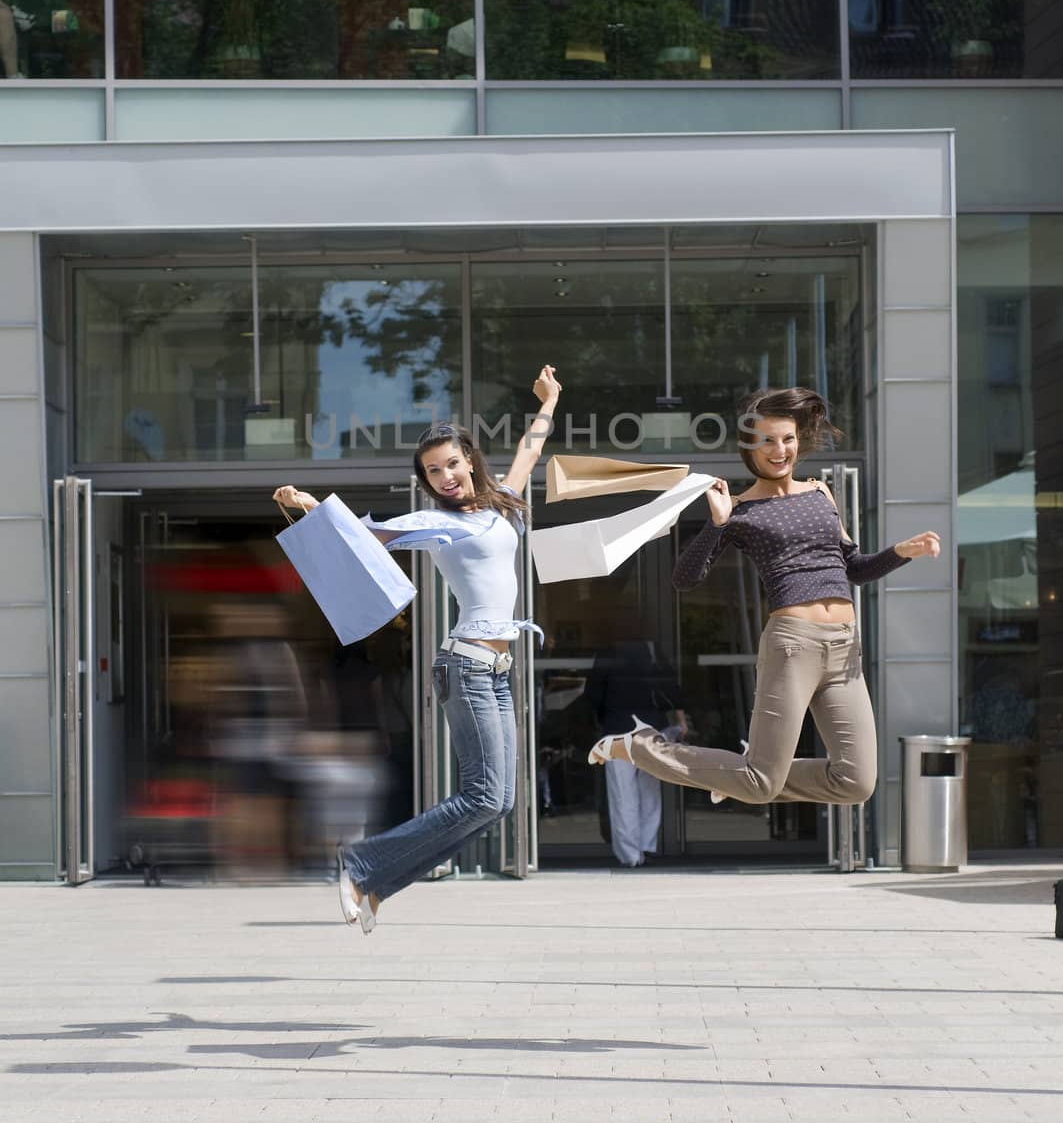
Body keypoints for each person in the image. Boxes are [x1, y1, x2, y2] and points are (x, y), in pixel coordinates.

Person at [273, 364, 561, 933]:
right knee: (482, 796)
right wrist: (309, 506)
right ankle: (361, 862)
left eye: (452, 464)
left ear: (470, 460)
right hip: (467, 667)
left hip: (497, 669)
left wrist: (549, 402)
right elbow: (365, 534)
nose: (446, 476)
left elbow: (530, 451)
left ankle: (380, 879)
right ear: (427, 481)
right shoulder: (437, 522)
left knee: (499, 803)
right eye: (433, 471)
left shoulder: (500, 502)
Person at [589, 386, 940, 812]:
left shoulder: (821, 494)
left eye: (788, 439)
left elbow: (855, 568)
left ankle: (738, 777)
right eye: (768, 441)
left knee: (855, 782)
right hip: (794, 646)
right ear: (749, 447)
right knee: (760, 782)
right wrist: (716, 524)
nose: (779, 450)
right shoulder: (738, 509)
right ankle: (641, 746)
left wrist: (902, 552)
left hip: (845, 647)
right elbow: (684, 578)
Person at [586, 634, 683, 867]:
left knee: (622, 793)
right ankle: (647, 847)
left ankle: (630, 855)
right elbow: (669, 685)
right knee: (649, 789)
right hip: (651, 728)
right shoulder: (652, 648)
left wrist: (599, 720)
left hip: (616, 728)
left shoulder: (608, 650)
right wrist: (680, 718)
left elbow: (594, 692)